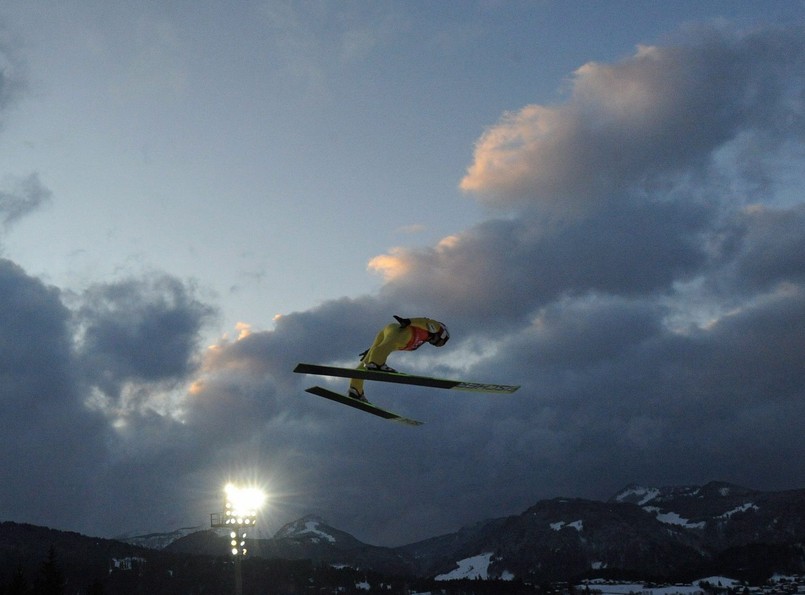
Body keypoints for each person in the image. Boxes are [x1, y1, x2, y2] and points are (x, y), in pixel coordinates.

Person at [349, 316, 449, 402]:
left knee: (368, 360)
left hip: (389, 330)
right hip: (402, 331)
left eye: (438, 343)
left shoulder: (423, 338)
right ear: (441, 333)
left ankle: (355, 389)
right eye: (439, 341)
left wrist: (370, 351)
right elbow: (425, 321)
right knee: (390, 345)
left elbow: (384, 344)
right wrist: (408, 321)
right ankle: (376, 363)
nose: (434, 342)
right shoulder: (436, 326)